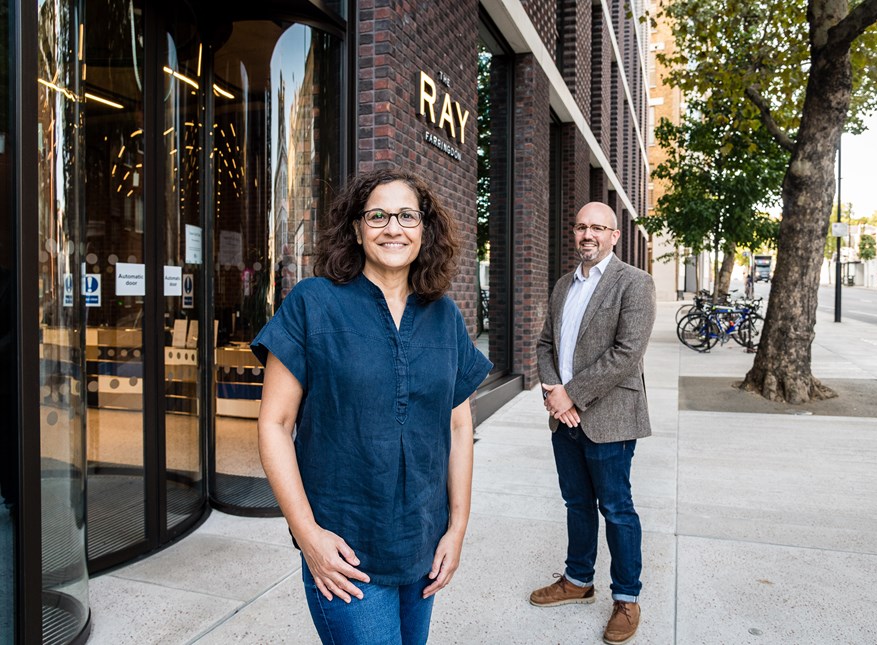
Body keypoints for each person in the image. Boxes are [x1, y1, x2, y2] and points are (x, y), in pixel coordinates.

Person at [251, 168, 492, 644]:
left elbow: (460, 428)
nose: (393, 227)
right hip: (346, 549)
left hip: (423, 542)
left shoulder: (444, 315)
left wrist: (457, 527)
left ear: (425, 229)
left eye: (407, 215)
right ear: (357, 230)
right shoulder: (312, 303)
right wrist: (308, 537)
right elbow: (275, 425)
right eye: (377, 215)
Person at [531, 202, 656, 645]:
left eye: (598, 228)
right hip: (563, 417)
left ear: (615, 235)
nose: (588, 234)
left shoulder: (635, 284)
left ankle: (626, 597)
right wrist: (551, 391)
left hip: (610, 418)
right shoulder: (565, 284)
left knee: (616, 508)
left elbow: (626, 354)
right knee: (576, 504)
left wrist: (572, 394)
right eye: (581, 226)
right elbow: (545, 343)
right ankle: (578, 580)